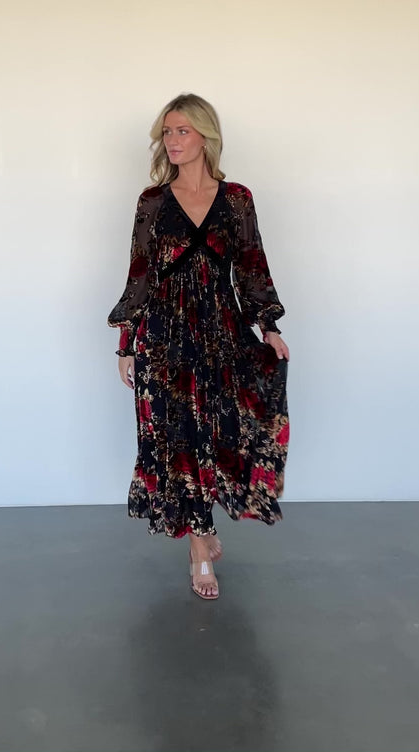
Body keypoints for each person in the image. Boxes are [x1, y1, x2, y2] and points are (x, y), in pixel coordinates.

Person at [107, 93, 290, 600]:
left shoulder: (237, 199)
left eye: (182, 130)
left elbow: (251, 263)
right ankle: (199, 545)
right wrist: (126, 343)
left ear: (206, 136)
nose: (172, 140)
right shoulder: (152, 202)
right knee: (177, 439)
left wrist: (268, 327)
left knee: (218, 432)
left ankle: (205, 529)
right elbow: (140, 275)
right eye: (167, 132)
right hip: (164, 338)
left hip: (220, 336)